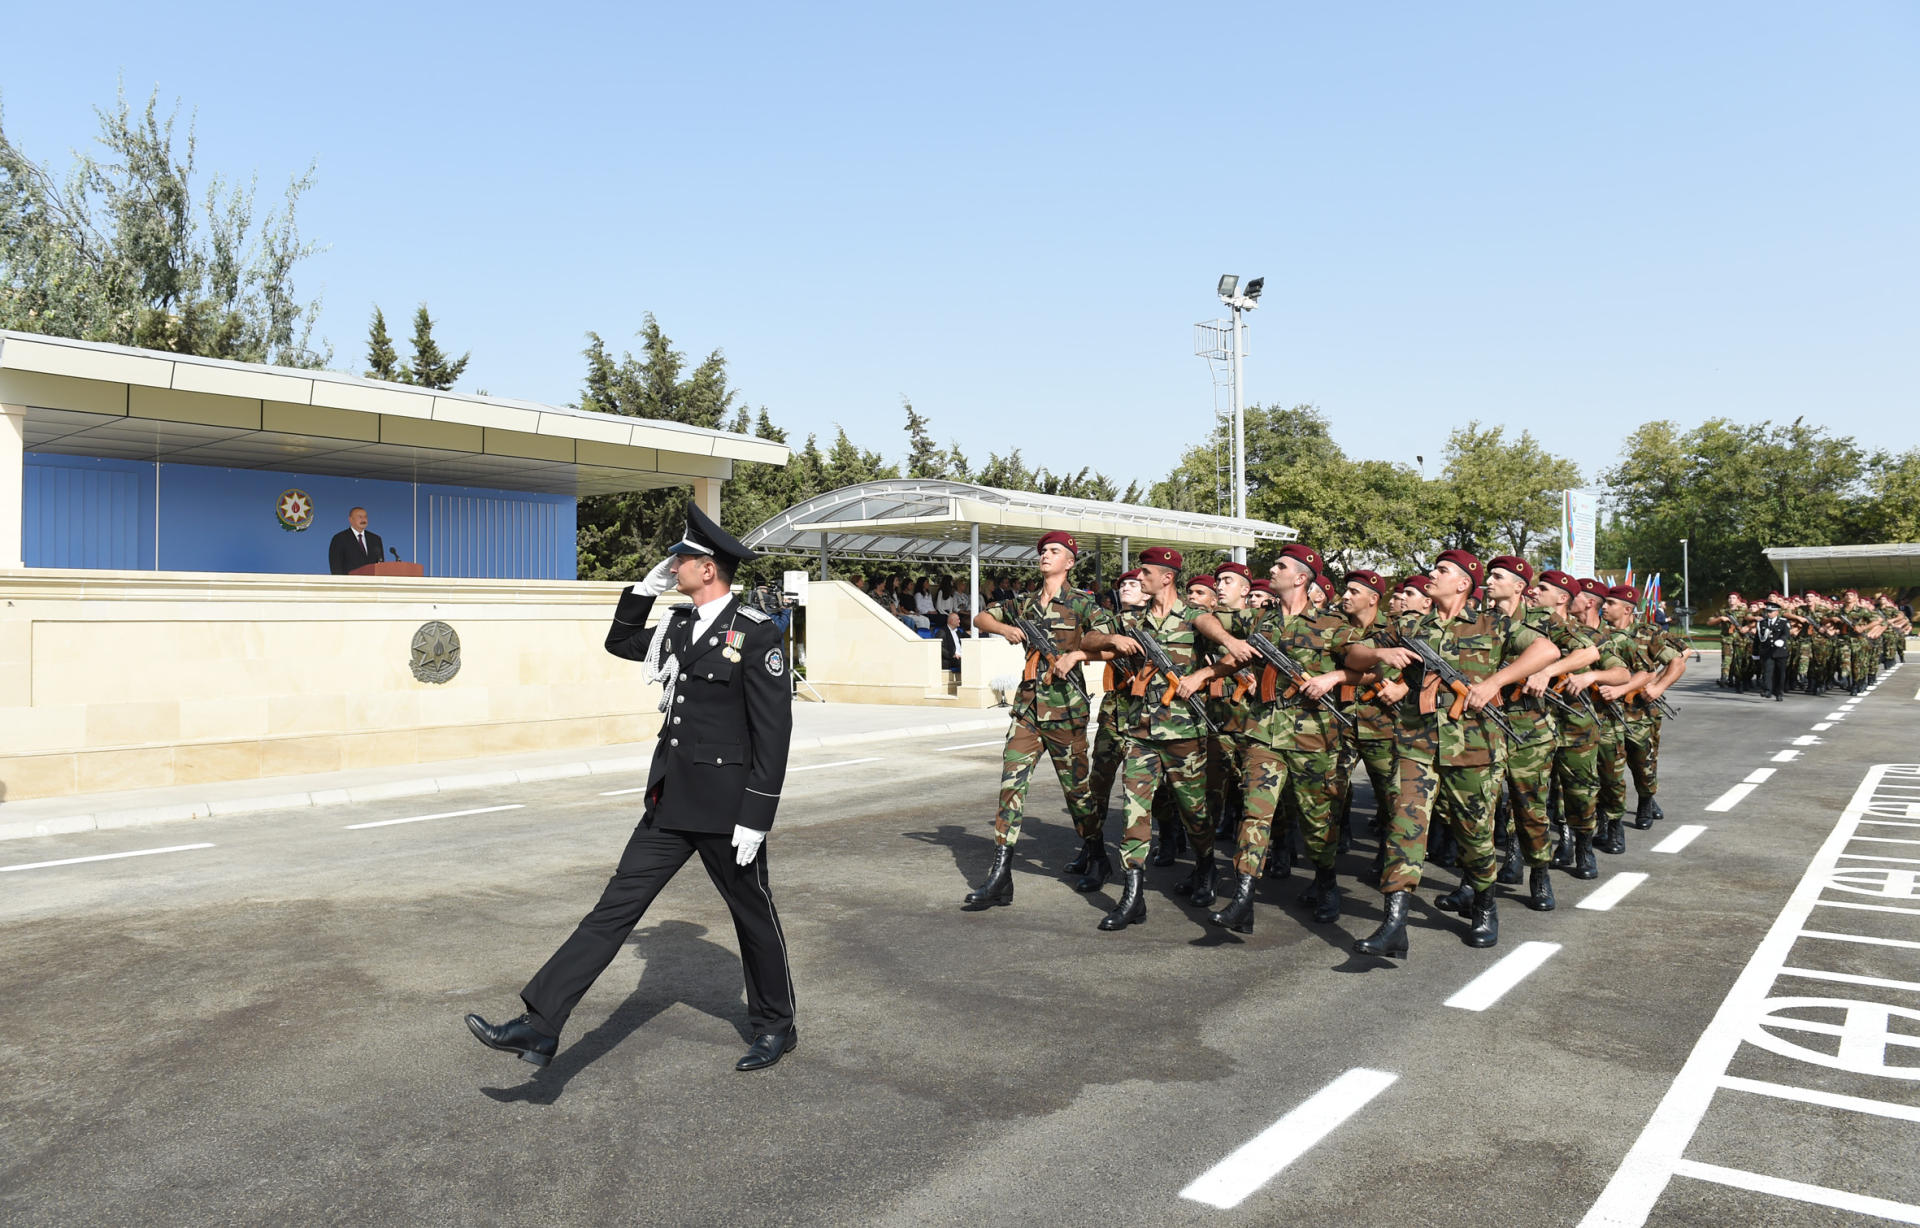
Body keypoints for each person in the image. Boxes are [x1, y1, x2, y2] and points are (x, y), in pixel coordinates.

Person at [465, 503, 798, 1073]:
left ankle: (775, 1025)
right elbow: (619, 643)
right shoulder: (678, 626)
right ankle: (541, 1024)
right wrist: (640, 593)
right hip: (671, 803)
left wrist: (758, 814)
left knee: (752, 916)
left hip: (727, 809)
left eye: (682, 560)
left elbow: (775, 731)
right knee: (612, 910)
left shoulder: (755, 633)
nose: (674, 568)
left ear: (709, 569)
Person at [1343, 549, 1561, 958]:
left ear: (1463, 583)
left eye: (1442, 570)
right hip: (1415, 744)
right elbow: (1353, 654)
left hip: (1473, 747)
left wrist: (1494, 681)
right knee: (1403, 827)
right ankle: (1394, 924)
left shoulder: (1492, 623)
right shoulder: (1409, 623)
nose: (1432, 573)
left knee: (1475, 836)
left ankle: (1484, 904)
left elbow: (1546, 651)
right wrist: (1380, 654)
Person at [964, 531, 1112, 908]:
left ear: (1070, 562)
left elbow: (1112, 643)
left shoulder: (1083, 604)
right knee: (1010, 786)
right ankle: (1000, 876)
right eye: (1043, 551)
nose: (1046, 555)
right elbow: (982, 617)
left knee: (1078, 793)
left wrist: (1076, 655)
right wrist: (1005, 628)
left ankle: (1097, 856)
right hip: (1028, 710)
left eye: (1055, 551)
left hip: (1066, 711)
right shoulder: (1025, 603)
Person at [1080, 547, 1216, 931]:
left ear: (1167, 577)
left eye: (1145, 573)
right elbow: (1088, 639)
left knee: (1194, 811)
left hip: (1183, 731)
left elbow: (1230, 657)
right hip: (1140, 731)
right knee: (1134, 813)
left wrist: (1201, 677)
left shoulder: (1195, 618)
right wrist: (1115, 643)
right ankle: (1133, 895)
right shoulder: (1130, 620)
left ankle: (1206, 866)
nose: (1138, 578)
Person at [328, 507, 384, 575]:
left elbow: (380, 564)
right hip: (350, 583)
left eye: (365, 517)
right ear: (351, 519)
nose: (363, 519)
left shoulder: (375, 539)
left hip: (372, 583)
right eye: (360, 517)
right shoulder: (339, 538)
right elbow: (336, 567)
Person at [1753, 602, 1792, 701]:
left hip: (1780, 651)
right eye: (1767, 611)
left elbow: (1786, 634)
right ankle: (1767, 690)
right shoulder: (1762, 623)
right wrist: (1755, 652)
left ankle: (1779, 692)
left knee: (1780, 673)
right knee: (1767, 672)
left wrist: (1782, 640)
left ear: (1777, 612)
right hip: (1767, 652)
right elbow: (1757, 639)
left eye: (1771, 611)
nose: (1768, 613)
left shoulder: (1783, 622)